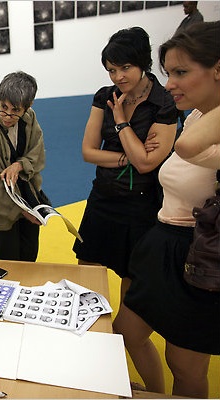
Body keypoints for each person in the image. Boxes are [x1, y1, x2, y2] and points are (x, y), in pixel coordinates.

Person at [113, 21, 220, 398]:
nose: (169, 83)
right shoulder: (194, 116)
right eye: (168, 72)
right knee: (126, 330)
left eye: (181, 72)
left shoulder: (202, 124)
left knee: (186, 366)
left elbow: (184, 150)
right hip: (164, 241)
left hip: (199, 255)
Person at [72, 27, 178, 301]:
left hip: (142, 205)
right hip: (102, 198)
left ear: (143, 63)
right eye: (111, 70)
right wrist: (128, 155)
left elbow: (145, 165)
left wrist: (121, 123)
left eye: (125, 67)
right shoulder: (104, 96)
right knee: (87, 275)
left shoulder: (164, 102)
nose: (117, 77)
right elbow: (88, 151)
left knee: (132, 281)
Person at [0, 71, 46, 262]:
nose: (8, 115)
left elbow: (38, 153)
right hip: (1, 212)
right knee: (8, 266)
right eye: (4, 107)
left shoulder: (30, 118)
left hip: (28, 200)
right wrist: (22, 212)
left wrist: (19, 165)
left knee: (29, 260)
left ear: (28, 107)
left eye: (16, 110)